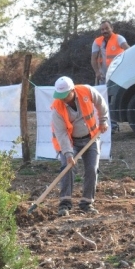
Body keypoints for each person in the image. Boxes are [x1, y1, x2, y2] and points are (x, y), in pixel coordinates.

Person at [51, 76, 109, 217]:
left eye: (65, 95)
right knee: (67, 168)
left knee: (91, 169)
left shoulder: (86, 91)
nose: (63, 99)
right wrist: (68, 153)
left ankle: (87, 203)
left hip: (91, 138)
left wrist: (103, 120)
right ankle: (65, 204)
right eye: (60, 96)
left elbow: (101, 103)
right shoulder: (57, 108)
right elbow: (61, 133)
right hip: (71, 142)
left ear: (72, 90)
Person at [91, 20, 130, 86]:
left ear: (112, 28)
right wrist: (97, 72)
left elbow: (129, 50)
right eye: (102, 29)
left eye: (107, 28)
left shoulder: (119, 38)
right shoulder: (97, 41)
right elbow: (93, 59)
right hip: (103, 75)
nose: (105, 31)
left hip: (118, 73)